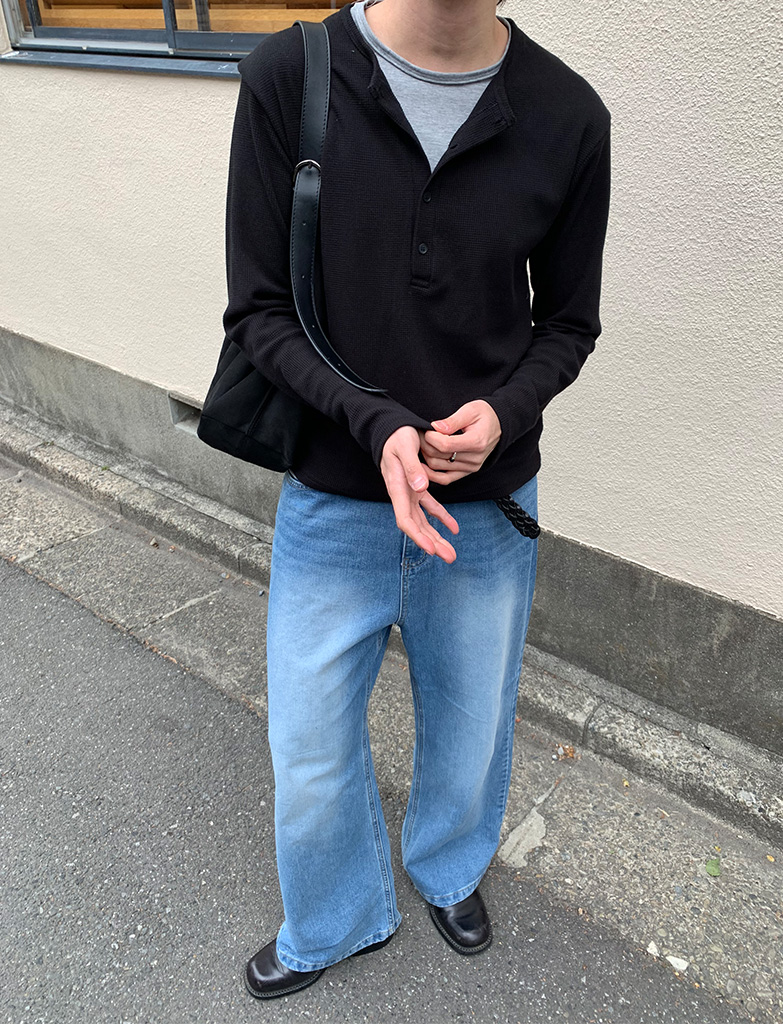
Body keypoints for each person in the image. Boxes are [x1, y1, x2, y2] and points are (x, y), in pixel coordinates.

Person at [222, 0, 611, 1000]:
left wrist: (504, 412)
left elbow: (568, 322)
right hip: (335, 492)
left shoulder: (568, 115)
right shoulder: (289, 77)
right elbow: (259, 310)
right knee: (307, 745)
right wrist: (375, 422)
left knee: (473, 721)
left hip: (485, 503)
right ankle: (334, 916)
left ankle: (447, 867)